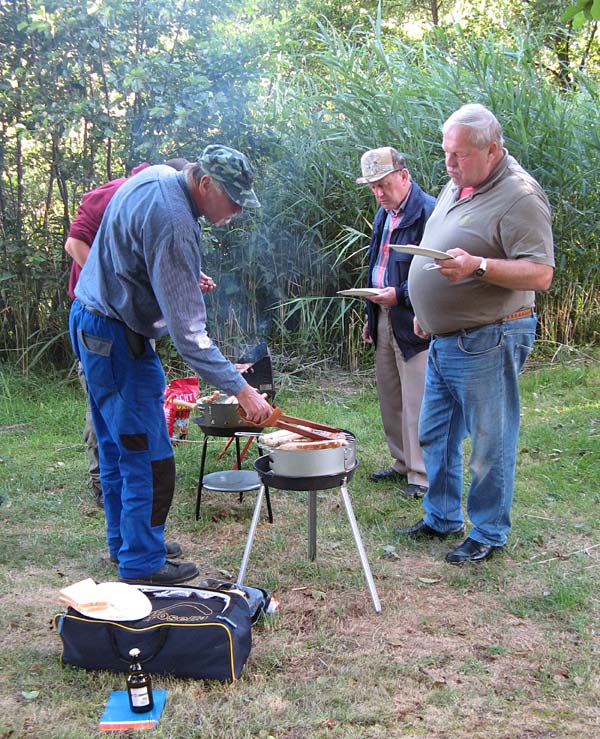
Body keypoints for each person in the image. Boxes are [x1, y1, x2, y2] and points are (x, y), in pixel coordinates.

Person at [69, 145, 272, 585]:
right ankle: (142, 562)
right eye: (233, 200)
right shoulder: (176, 222)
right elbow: (190, 338)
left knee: (116, 445)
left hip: (89, 320)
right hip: (118, 338)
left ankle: (126, 541)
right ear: (205, 183)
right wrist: (242, 390)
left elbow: (133, 250)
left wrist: (177, 276)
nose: (236, 211)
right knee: (149, 453)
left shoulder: (157, 177)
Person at [397, 104, 554, 564]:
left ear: (492, 150)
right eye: (446, 153)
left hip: (490, 337)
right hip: (446, 337)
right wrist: (428, 312)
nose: (449, 164)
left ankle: (488, 531)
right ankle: (442, 516)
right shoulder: (460, 181)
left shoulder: (519, 195)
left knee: (490, 441)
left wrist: (478, 266)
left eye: (460, 155)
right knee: (435, 433)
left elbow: (540, 273)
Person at [65, 159, 214, 509]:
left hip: (118, 322)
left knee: (127, 426)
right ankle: (107, 492)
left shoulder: (157, 198)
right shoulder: (121, 193)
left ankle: (124, 522)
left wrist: (185, 274)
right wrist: (112, 287)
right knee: (122, 427)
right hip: (105, 321)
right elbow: (74, 244)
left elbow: (146, 258)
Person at [356, 147, 435, 498]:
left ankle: (421, 475)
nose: (379, 193)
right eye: (373, 187)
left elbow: (434, 272)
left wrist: (399, 296)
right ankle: (402, 462)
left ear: (404, 176)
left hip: (415, 317)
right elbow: (379, 263)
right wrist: (371, 316)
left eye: (384, 185)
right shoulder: (384, 213)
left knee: (416, 397)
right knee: (390, 395)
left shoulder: (428, 211)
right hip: (384, 313)